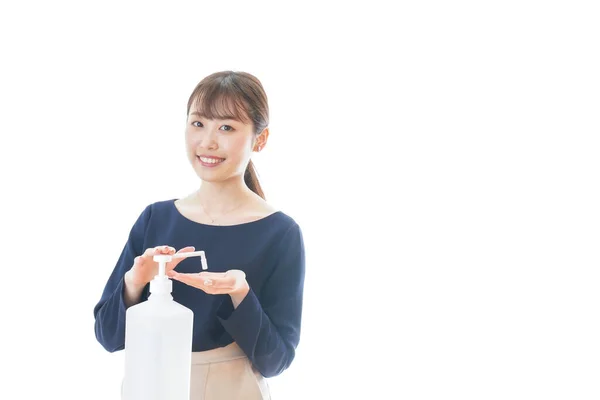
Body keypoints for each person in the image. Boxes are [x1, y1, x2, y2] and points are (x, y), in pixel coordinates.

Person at [93, 71, 306, 400]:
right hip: (149, 385)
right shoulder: (156, 218)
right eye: (198, 124)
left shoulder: (279, 233)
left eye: (227, 127)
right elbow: (108, 337)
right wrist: (135, 282)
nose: (207, 141)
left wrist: (240, 294)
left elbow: (275, 361)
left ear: (259, 140)